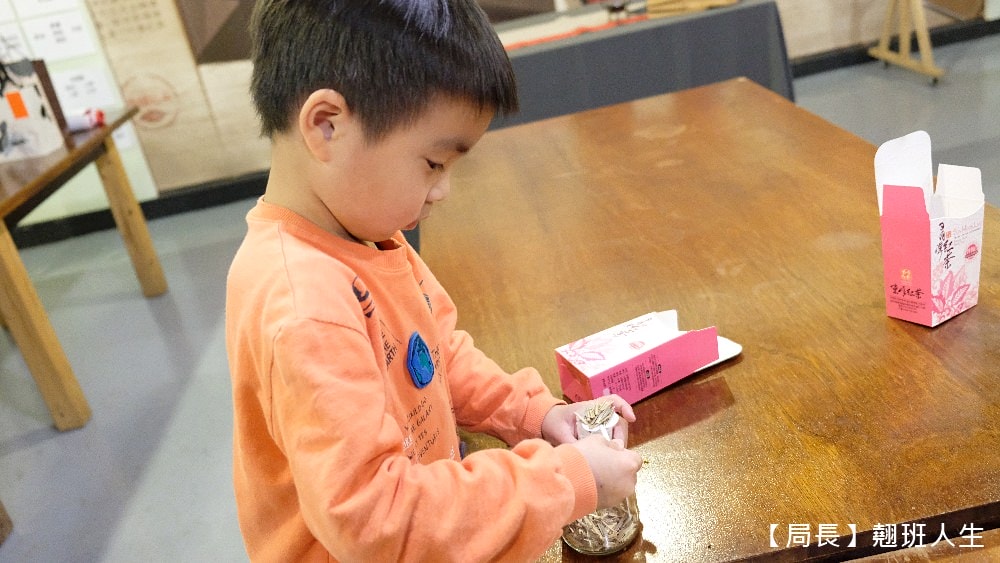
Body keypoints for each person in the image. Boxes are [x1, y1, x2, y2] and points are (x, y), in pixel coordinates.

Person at [225, 1, 644, 561]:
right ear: (327, 126)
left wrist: (533, 414)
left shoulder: (369, 234)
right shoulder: (305, 308)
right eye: (433, 163)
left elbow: (435, 355)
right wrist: (565, 478)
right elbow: (378, 519)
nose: (443, 191)